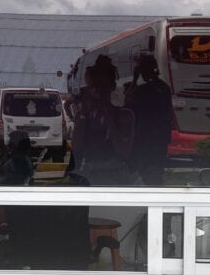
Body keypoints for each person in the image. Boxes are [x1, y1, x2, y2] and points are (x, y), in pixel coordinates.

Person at [71, 54, 136, 186]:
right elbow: (76, 150)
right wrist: (82, 116)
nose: (99, 93)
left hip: (116, 177)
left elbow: (124, 152)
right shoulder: (84, 116)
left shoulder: (123, 116)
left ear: (111, 87)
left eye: (103, 88)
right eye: (96, 88)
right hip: (92, 177)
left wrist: (107, 116)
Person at [124, 54, 173, 186]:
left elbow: (127, 106)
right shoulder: (164, 88)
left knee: (145, 172)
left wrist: (134, 80)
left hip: (145, 138)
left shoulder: (143, 91)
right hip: (160, 138)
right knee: (156, 171)